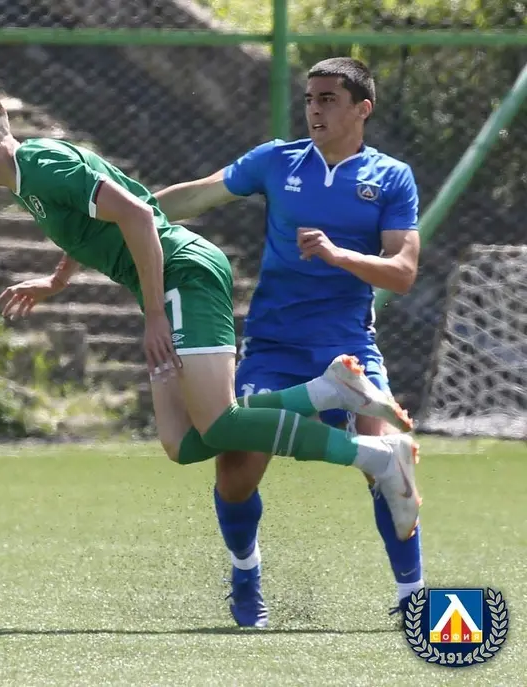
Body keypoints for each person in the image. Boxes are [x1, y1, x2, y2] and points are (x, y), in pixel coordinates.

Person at [0, 91, 422, 565]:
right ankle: (327, 392)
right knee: (182, 442)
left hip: (185, 275)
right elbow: (93, 222)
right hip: (169, 283)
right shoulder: (29, 176)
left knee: (221, 423)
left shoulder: (42, 166)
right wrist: (57, 280)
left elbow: (138, 214)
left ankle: (375, 456)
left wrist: (154, 315)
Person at [154, 57, 424, 627]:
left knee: (386, 462)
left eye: (328, 99)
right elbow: (196, 197)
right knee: (236, 472)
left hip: (348, 346)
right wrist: (122, 214)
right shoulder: (277, 161)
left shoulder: (392, 177)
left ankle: (412, 597)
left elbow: (402, 273)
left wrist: (337, 255)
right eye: (309, 99)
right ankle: (245, 576)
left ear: (362, 108)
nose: (314, 110)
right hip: (274, 346)